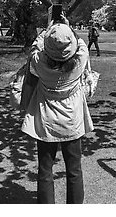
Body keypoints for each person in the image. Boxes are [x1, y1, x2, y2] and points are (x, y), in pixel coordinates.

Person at [21, 16, 94, 204]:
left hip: (46, 119)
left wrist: (48, 28)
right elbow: (80, 42)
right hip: (72, 119)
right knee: (74, 170)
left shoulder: (38, 61)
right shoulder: (79, 60)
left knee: (45, 170)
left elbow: (35, 46)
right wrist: (67, 28)